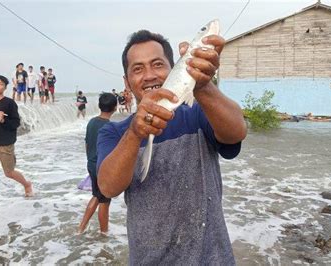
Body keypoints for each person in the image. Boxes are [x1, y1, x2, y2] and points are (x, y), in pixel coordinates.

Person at [96, 30, 247, 264]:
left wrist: (203, 86)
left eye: (157, 64)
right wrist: (135, 133)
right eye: (138, 69)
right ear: (126, 82)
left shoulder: (198, 114)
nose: (148, 76)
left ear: (173, 68)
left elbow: (237, 132)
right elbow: (107, 187)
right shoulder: (114, 133)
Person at [0, 75, 33, 208]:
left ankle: (27, 184)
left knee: (9, 173)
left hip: (5, 144)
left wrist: (3, 120)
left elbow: (16, 123)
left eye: (0, 84)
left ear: (5, 87)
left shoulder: (9, 103)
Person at [78, 93, 118, 234]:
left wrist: (90, 161)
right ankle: (104, 233)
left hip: (91, 164)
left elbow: (87, 144)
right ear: (115, 107)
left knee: (97, 195)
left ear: (100, 106)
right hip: (103, 168)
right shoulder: (112, 127)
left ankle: (81, 228)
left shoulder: (92, 122)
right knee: (105, 202)